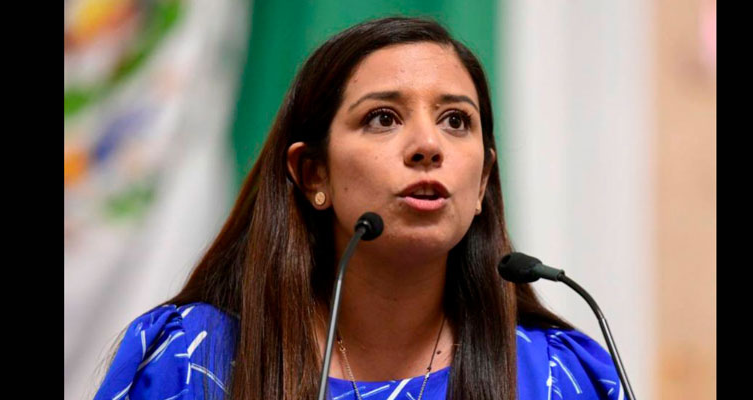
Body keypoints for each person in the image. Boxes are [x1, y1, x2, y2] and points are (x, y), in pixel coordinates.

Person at [93, 16, 627, 400]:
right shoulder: (190, 360)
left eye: (455, 121)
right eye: (383, 118)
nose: (428, 146)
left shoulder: (559, 376)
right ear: (313, 174)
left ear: (483, 179)